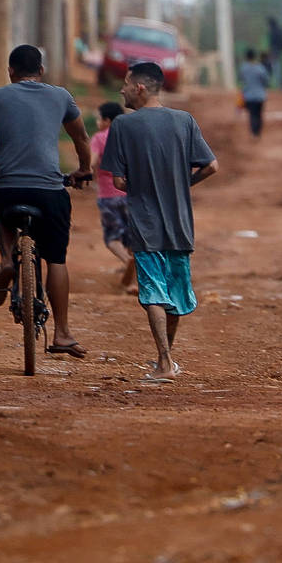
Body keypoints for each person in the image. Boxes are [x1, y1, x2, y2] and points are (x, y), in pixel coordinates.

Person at [0, 43, 94, 359]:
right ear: (41, 71)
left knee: (3, 213)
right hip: (49, 191)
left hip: (9, 190)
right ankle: (62, 334)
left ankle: (7, 260)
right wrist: (84, 170)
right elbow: (81, 138)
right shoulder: (61, 96)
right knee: (56, 259)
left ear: (11, 72)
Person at [101, 59, 219, 382]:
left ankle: (165, 362)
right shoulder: (185, 121)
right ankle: (165, 358)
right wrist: (183, 184)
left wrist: (139, 184)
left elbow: (120, 182)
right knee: (175, 293)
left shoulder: (122, 127)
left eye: (125, 83)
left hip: (144, 222)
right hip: (180, 222)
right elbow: (211, 166)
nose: (121, 89)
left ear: (139, 88)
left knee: (153, 290)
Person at [90, 99, 135, 284]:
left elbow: (92, 162)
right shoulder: (129, 136)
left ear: (107, 120)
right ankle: (135, 279)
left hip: (108, 196)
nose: (98, 123)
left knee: (113, 238)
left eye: (99, 119)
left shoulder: (99, 138)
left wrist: (87, 174)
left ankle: (127, 262)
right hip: (131, 194)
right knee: (133, 237)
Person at [238, 46, 271, 137]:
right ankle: (258, 132)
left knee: (252, 115)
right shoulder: (260, 68)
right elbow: (266, 80)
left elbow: (241, 79)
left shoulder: (244, 68)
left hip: (249, 96)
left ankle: (254, 133)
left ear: (246, 57)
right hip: (260, 96)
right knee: (259, 114)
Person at [266, 14, 282, 87]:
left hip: (274, 51)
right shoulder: (280, 30)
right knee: (277, 67)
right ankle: (279, 84)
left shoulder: (272, 31)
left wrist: (271, 51)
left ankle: (274, 84)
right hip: (279, 50)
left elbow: (271, 42)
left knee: (273, 67)